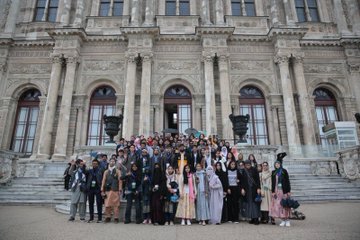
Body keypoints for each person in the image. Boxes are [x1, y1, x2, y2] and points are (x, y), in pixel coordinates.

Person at [270, 153, 291, 227]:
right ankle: (282, 219)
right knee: (279, 205)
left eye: (278, 164)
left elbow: (287, 181)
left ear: (280, 164)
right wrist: (272, 191)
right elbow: (272, 183)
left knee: (285, 204)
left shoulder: (284, 171)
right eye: (275, 164)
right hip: (276, 190)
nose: (277, 165)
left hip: (283, 190)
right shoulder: (273, 172)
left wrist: (288, 191)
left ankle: (287, 219)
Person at [101, 157, 122, 223]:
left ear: (115, 163)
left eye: (113, 161)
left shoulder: (118, 171)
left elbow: (120, 180)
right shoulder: (106, 171)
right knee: (107, 204)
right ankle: (108, 216)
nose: (112, 162)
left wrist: (120, 189)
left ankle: (116, 217)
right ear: (109, 162)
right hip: (107, 189)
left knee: (116, 204)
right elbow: (103, 180)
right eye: (111, 161)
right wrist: (102, 189)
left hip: (115, 189)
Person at [241, 160, 261, 225]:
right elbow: (243, 181)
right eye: (246, 165)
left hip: (254, 189)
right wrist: (242, 188)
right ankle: (252, 218)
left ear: (250, 164)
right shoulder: (244, 171)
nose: (247, 166)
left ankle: (256, 218)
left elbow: (257, 180)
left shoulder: (255, 170)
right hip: (247, 189)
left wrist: (258, 188)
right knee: (249, 204)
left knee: (255, 204)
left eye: (248, 165)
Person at [87, 159, 104, 223]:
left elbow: (103, 179)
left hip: (98, 188)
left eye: (95, 164)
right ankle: (91, 218)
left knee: (99, 203)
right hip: (91, 188)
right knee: (90, 203)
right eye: (93, 163)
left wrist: (102, 189)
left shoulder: (100, 170)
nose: (94, 165)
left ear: (98, 164)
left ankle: (99, 218)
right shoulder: (90, 171)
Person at [141, 149, 152, 224]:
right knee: (145, 204)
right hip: (144, 189)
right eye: (143, 152)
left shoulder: (150, 160)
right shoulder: (140, 160)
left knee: (150, 204)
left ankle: (150, 217)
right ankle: (145, 218)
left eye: (145, 152)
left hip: (150, 188)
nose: (144, 153)